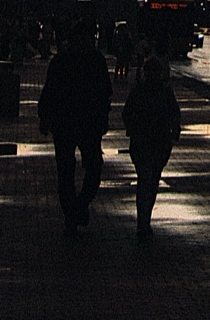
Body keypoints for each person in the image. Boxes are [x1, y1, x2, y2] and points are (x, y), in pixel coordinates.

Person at [38, 19, 112, 234]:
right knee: (81, 170)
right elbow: (105, 93)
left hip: (70, 123)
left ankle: (74, 210)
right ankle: (75, 209)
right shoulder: (91, 61)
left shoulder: (64, 61)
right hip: (79, 123)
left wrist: (45, 117)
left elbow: (49, 91)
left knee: (71, 171)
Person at [122, 55, 182, 238]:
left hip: (150, 141)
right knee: (149, 179)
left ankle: (144, 219)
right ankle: (144, 220)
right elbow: (174, 114)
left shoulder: (144, 91)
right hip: (152, 142)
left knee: (148, 180)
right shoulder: (158, 92)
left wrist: (132, 129)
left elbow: (127, 113)